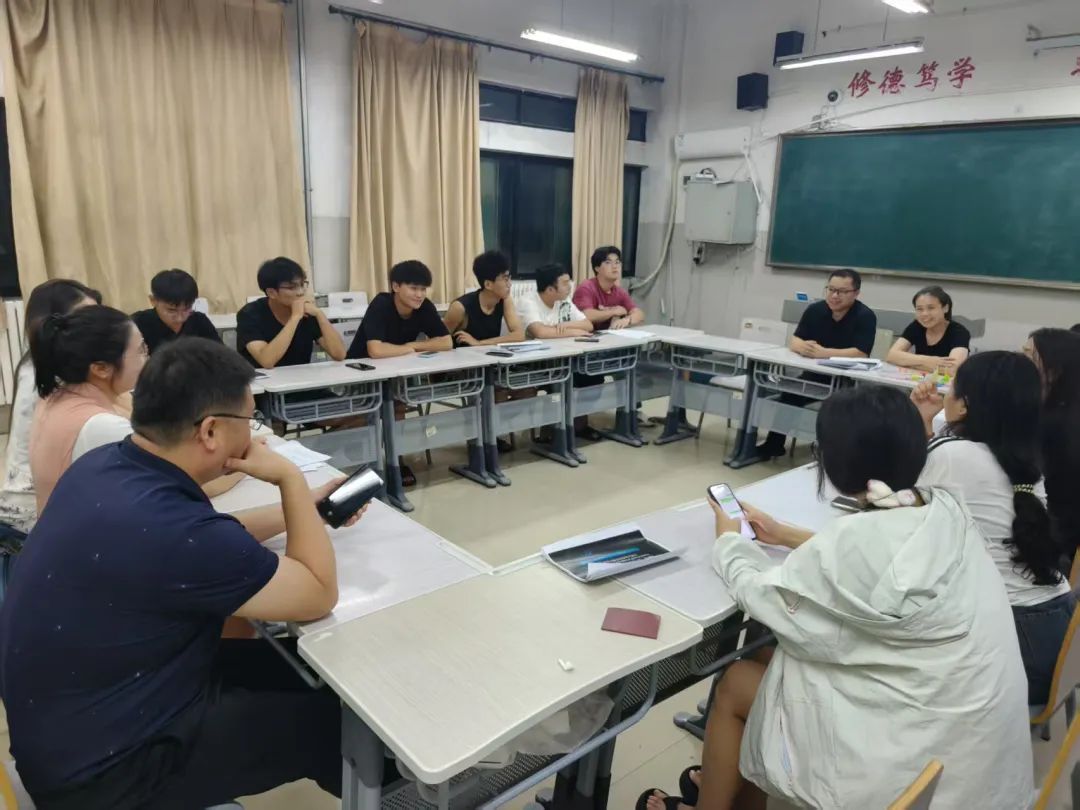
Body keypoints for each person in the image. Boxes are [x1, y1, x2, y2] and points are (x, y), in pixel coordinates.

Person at [0, 338, 370, 809]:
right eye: (251, 419)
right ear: (211, 430)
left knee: (305, 669)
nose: (255, 434)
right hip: (105, 773)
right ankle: (402, 796)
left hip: (72, 725)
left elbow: (213, 537)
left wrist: (305, 510)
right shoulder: (175, 531)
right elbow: (317, 593)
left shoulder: (106, 466)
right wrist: (290, 479)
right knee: (326, 723)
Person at [643, 386, 1031, 810]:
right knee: (769, 657)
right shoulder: (945, 508)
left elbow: (762, 593)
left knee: (736, 683)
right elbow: (879, 561)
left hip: (917, 755)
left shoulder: (855, 540)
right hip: (972, 741)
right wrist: (786, 534)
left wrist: (729, 542)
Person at [910, 351, 1072, 705]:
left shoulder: (953, 455)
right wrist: (927, 421)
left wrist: (922, 421)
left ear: (965, 405)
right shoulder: (1024, 459)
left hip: (1017, 646)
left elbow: (902, 508)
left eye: (952, 387)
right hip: (1061, 634)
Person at [28, 306, 148, 513]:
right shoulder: (101, 426)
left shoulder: (57, 396)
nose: (147, 357)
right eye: (141, 350)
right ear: (101, 369)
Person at [755, 269, 878, 458]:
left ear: (856, 293)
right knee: (790, 393)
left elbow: (860, 352)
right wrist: (803, 347)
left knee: (839, 406)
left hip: (847, 382)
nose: (834, 296)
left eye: (842, 291)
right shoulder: (815, 310)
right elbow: (795, 340)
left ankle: (831, 453)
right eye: (831, 289)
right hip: (814, 376)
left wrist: (824, 353)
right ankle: (774, 445)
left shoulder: (865, 316)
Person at [1025, 328, 1080, 566]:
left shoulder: (1058, 425)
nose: (1020, 362)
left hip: (1054, 533)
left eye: (1029, 356)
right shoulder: (1056, 407)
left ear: (1054, 369)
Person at [236, 257, 346, 368]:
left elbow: (339, 354)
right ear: (271, 292)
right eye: (292, 287)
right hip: (264, 378)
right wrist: (295, 318)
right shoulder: (249, 314)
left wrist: (319, 313)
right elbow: (267, 361)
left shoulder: (308, 313)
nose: (300, 292)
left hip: (302, 377)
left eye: (302, 284)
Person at [347, 260, 452, 358]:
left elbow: (446, 342)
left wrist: (411, 346)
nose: (419, 295)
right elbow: (375, 350)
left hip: (399, 362)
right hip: (360, 364)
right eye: (413, 288)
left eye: (423, 289)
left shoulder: (424, 306)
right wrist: (408, 349)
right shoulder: (381, 304)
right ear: (396, 287)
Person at [443, 250, 525, 346]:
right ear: (488, 284)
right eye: (505, 279)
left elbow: (519, 335)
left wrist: (480, 343)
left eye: (509, 278)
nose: (510, 284)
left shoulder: (505, 300)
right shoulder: (459, 307)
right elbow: (440, 340)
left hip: (488, 353)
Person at [131, 269, 221, 354]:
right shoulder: (137, 324)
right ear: (153, 300)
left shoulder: (199, 321)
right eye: (172, 310)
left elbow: (220, 356)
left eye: (187, 309)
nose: (180, 318)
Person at [886, 285, 970, 373]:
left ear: (945, 308)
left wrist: (910, 362)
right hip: (918, 379)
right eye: (919, 309)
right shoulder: (917, 326)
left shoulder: (959, 332)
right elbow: (891, 356)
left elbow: (952, 369)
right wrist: (928, 361)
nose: (925, 314)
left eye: (931, 308)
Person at [572, 246, 644, 331]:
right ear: (597, 268)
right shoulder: (586, 288)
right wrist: (614, 311)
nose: (615, 266)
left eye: (617, 262)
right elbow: (586, 315)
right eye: (608, 262)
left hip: (609, 336)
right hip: (584, 336)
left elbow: (639, 314)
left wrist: (627, 320)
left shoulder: (620, 292)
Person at [518, 264, 593, 339]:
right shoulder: (528, 302)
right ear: (550, 290)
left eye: (569, 282)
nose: (569, 287)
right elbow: (540, 332)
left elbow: (588, 325)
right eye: (565, 283)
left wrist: (567, 325)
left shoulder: (564, 300)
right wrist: (574, 332)